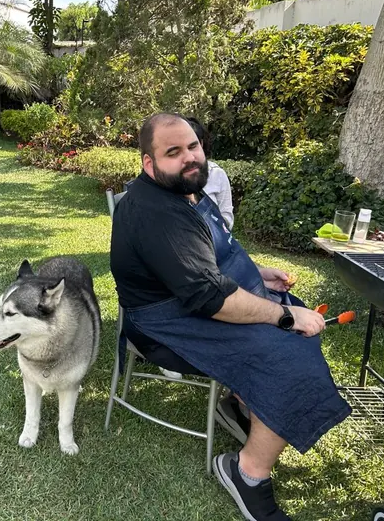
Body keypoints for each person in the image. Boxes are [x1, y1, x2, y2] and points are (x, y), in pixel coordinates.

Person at [109, 113, 350, 521]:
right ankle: (246, 473)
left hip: (199, 300)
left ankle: (243, 403)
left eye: (193, 146)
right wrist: (285, 316)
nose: (189, 157)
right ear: (149, 163)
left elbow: (212, 256)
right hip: (165, 325)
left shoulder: (186, 188)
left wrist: (257, 274)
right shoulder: (157, 213)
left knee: (297, 323)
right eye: (173, 152)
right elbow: (212, 299)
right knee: (291, 357)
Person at [186, 117, 234, 229]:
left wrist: (211, 227)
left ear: (201, 143)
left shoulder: (216, 174)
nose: (187, 156)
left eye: (192, 146)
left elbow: (227, 216)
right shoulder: (167, 176)